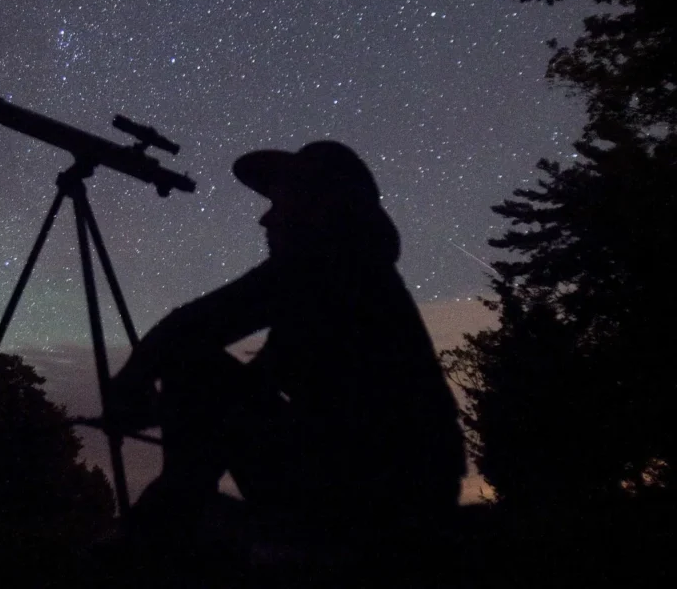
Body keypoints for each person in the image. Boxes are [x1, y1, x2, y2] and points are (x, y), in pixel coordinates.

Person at [108, 140, 465, 553]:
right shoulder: (353, 277)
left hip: (380, 494)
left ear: (316, 208)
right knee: (203, 378)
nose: (266, 219)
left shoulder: (325, 265)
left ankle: (164, 524)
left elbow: (194, 326)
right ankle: (175, 514)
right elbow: (256, 385)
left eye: (281, 204)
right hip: (398, 485)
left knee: (194, 368)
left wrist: (131, 385)